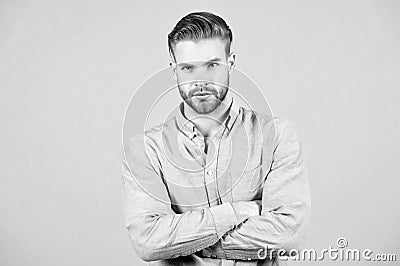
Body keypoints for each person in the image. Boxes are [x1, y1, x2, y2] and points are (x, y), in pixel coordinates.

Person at [122, 11, 311, 266]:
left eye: (212, 65)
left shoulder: (276, 136)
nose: (201, 81)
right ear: (173, 70)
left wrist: (186, 245)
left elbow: (289, 234)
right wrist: (238, 212)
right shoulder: (144, 149)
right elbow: (148, 241)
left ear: (230, 62)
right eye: (188, 68)